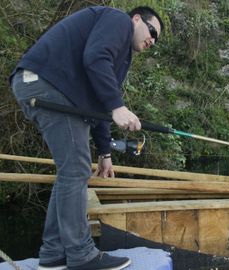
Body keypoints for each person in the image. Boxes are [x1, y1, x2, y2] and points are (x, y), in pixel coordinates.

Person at [9, 5, 163, 270]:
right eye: (151, 31)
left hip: (56, 89)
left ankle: (53, 254)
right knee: (76, 170)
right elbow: (95, 57)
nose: (152, 40)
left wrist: (105, 153)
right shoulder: (118, 21)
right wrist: (118, 106)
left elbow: (99, 106)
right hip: (47, 84)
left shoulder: (119, 57)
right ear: (136, 19)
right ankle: (81, 255)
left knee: (72, 170)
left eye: (156, 39)